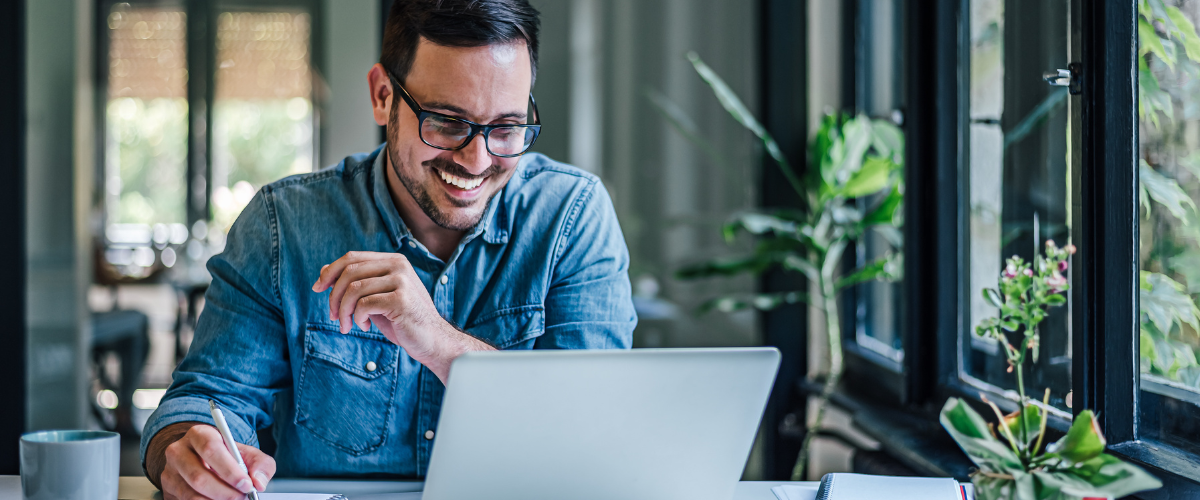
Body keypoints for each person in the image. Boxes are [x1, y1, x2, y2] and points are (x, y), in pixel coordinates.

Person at [140, 1, 637, 498]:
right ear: (383, 96)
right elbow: (204, 401)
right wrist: (187, 452)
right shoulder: (283, 225)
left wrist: (439, 342)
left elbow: (594, 433)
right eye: (447, 122)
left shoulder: (572, 216)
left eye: (506, 128)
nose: (477, 159)